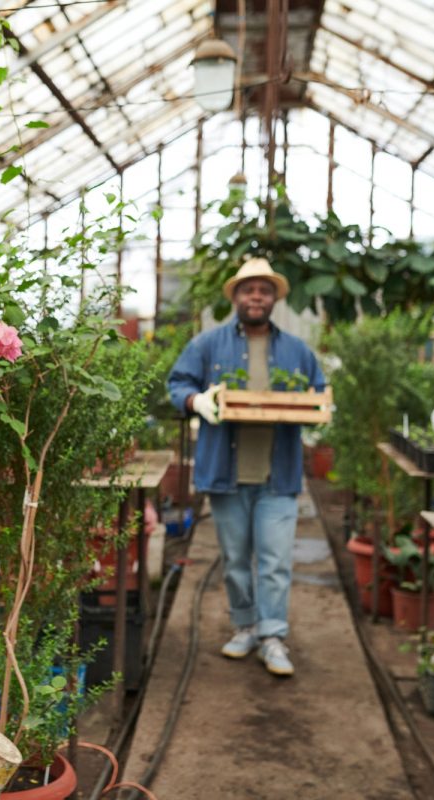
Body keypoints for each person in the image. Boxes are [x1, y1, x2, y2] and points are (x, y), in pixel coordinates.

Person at [167, 258, 325, 677]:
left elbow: (320, 390)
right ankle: (245, 626)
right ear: (236, 296)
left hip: (279, 474)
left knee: (274, 560)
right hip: (226, 473)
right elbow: (177, 384)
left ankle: (273, 636)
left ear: (274, 299)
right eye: (248, 289)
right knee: (236, 559)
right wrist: (196, 401)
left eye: (264, 290)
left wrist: (318, 412)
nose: (256, 296)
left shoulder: (296, 350)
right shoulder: (208, 345)